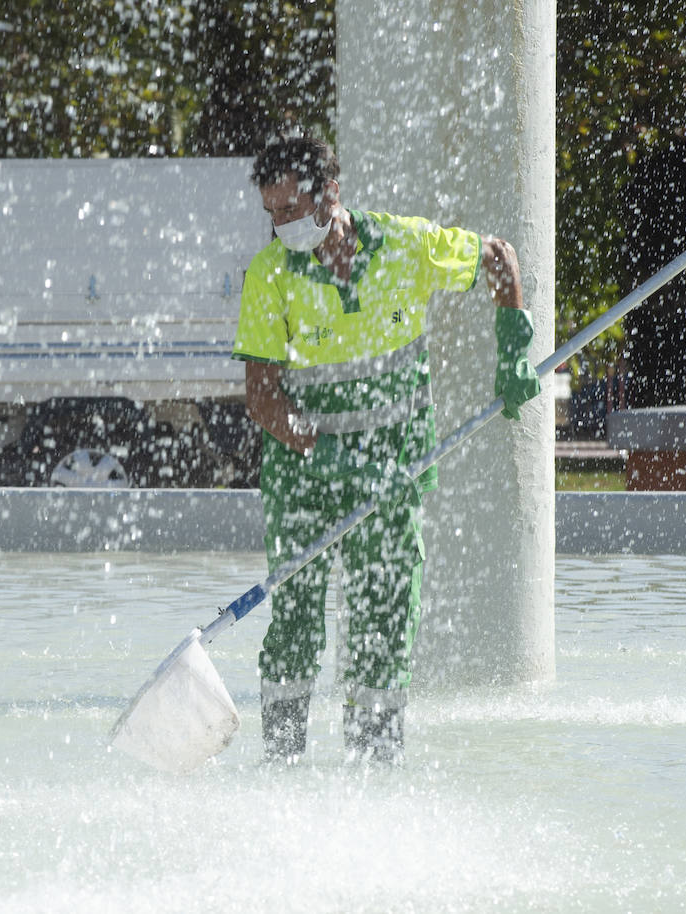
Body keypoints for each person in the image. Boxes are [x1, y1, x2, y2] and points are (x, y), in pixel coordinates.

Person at [231, 134, 539, 764]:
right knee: (293, 625)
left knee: (385, 624)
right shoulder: (269, 275)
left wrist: (512, 350)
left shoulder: (404, 245)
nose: (280, 226)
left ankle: (374, 773)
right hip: (304, 479)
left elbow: (499, 258)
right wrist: (321, 450)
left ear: (330, 194)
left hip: (395, 477)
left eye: (290, 210)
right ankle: (282, 769)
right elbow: (262, 398)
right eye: (272, 214)